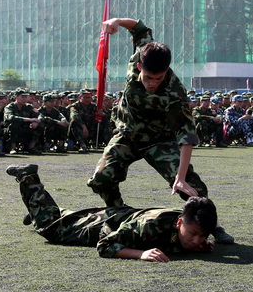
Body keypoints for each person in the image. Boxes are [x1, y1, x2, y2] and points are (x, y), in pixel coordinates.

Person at [87, 17, 233, 244]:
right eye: (148, 77)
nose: (153, 83)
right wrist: (116, 21)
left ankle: (211, 226)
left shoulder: (175, 92)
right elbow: (139, 28)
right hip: (127, 136)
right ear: (139, 67)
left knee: (192, 188)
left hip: (159, 140)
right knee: (101, 179)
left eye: (159, 78)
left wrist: (180, 178)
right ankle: (118, 213)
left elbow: (186, 135)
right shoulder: (142, 54)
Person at [7, 164, 216, 261]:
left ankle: (42, 212)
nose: (197, 240)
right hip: (103, 226)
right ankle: (28, 178)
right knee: (51, 229)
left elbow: (187, 236)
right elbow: (105, 245)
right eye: (193, 234)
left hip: (119, 216)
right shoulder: (148, 226)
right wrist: (140, 254)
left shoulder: (192, 219)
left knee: (61, 220)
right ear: (179, 223)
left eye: (202, 236)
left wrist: (198, 243)